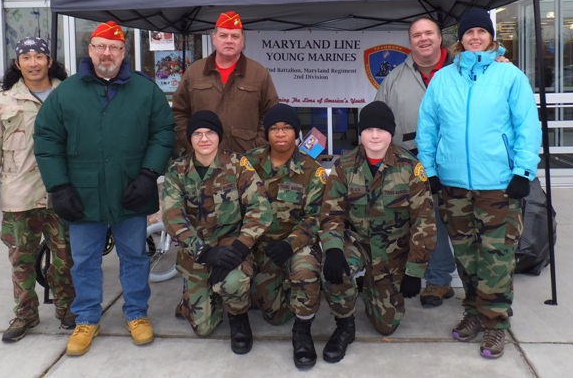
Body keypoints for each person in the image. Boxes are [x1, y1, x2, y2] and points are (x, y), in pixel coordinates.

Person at [33, 21, 175, 356]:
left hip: (131, 193)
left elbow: (163, 132)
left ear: (124, 52)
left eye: (113, 47)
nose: (106, 53)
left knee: (135, 256)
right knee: (83, 260)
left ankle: (137, 313)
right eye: (99, 46)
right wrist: (59, 186)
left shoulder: (145, 91)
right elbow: (47, 140)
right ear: (90, 50)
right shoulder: (66, 93)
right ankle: (87, 317)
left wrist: (148, 174)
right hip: (82, 196)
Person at [416, 7, 541, 359]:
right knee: (467, 256)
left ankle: (495, 325)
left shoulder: (510, 77)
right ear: (460, 39)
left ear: (491, 37)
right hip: (454, 184)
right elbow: (428, 128)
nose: (474, 37)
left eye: (481, 32)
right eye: (469, 32)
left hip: (498, 185)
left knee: (497, 257)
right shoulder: (443, 79)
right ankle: (473, 313)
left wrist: (523, 173)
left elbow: (527, 129)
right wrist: (431, 170)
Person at [0, 37, 76, 342]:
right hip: (20, 196)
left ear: (49, 60)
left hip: (61, 193)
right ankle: (25, 314)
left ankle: (67, 308)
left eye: (38, 56)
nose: (33, 63)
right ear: (17, 63)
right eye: (26, 57)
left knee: (66, 258)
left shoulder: (67, 95)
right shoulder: (0, 102)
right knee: (21, 261)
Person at [320, 101, 436, 363]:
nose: (374, 135)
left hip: (392, 252)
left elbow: (424, 223)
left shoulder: (410, 168)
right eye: (368, 129)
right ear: (359, 133)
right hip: (357, 244)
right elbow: (331, 213)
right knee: (333, 269)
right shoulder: (345, 165)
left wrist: (415, 272)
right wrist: (334, 248)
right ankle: (344, 325)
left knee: (386, 325)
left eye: (381, 129)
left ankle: (369, 285)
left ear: (391, 133)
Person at [161, 110, 273, 355]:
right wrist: (203, 252)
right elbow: (172, 217)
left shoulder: (238, 165)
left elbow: (260, 208)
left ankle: (238, 316)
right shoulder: (177, 171)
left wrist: (241, 247)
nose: (204, 139)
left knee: (233, 282)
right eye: (198, 134)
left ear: (219, 137)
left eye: (210, 132)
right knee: (204, 328)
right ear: (190, 138)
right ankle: (196, 295)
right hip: (198, 253)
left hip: (231, 246)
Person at [374, 17, 457, 308]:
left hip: (460, 160)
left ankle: (481, 289)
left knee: (464, 222)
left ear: (440, 37)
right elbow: (379, 120)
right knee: (428, 220)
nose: (423, 39)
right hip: (412, 163)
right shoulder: (395, 78)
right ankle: (438, 279)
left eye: (429, 33)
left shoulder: (461, 70)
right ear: (410, 41)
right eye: (417, 35)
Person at [244, 103, 327, 369]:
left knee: (306, 268)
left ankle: (302, 333)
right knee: (276, 316)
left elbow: (315, 217)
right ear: (266, 133)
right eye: (275, 129)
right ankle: (268, 290)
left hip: (294, 244)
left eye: (287, 128)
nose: (281, 134)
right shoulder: (248, 163)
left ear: (296, 133)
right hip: (259, 245)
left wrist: (290, 244)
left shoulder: (311, 170)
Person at [171, 11, 279, 155]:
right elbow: (179, 113)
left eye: (235, 36)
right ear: (214, 38)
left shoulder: (259, 74)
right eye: (223, 35)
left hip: (246, 163)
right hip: (203, 161)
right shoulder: (194, 72)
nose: (229, 40)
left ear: (242, 41)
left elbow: (271, 115)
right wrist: (191, 142)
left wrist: (256, 147)